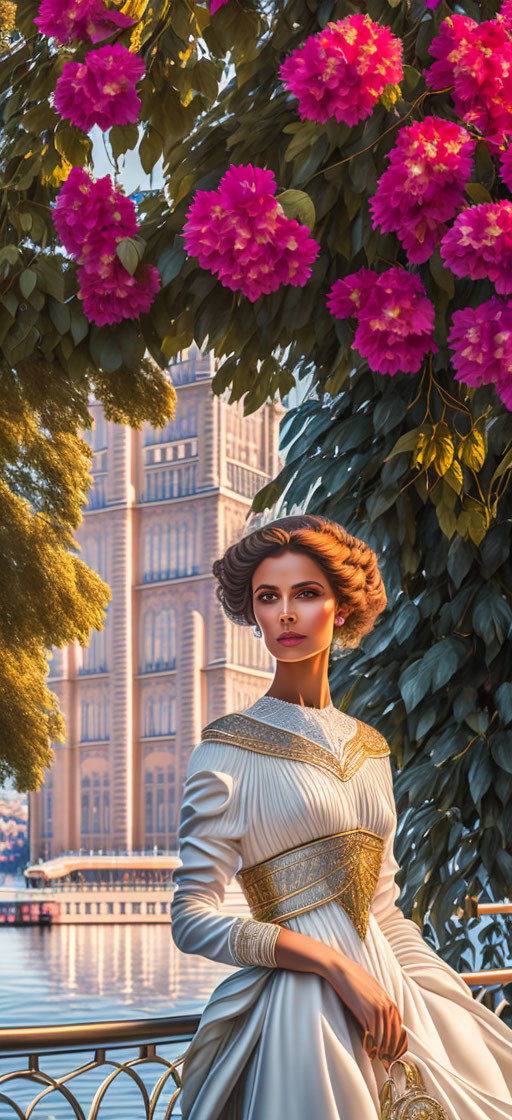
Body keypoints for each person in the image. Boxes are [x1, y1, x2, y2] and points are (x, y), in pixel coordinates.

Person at [171, 515, 512, 1120]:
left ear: (341, 605)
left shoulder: (372, 747)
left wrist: (434, 993)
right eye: (267, 598)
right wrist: (331, 964)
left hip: (394, 997)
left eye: (306, 594)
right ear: (253, 614)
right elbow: (191, 917)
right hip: (305, 1010)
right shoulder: (225, 749)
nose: (285, 614)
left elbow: (383, 907)